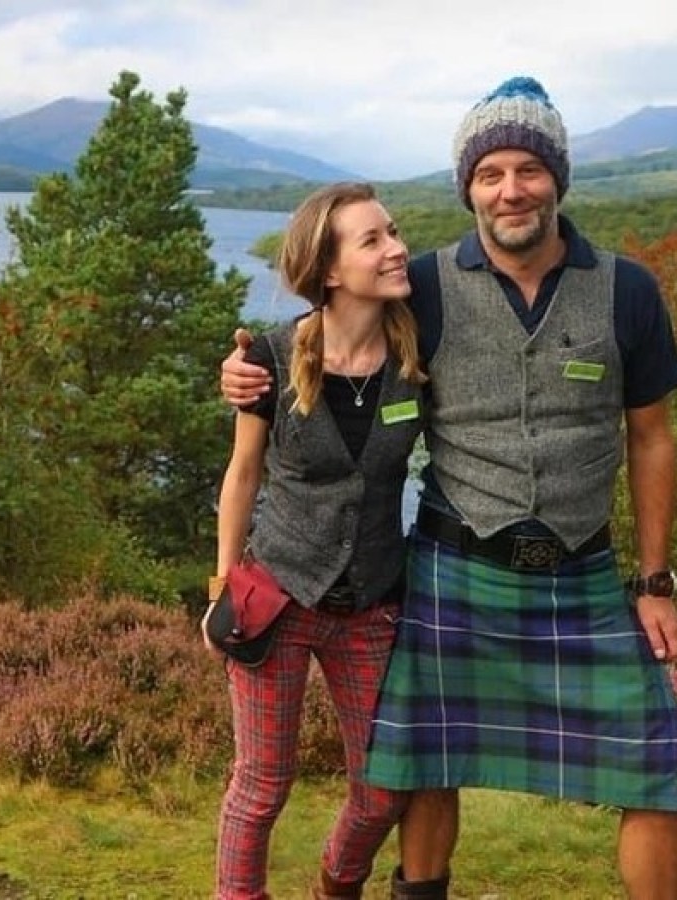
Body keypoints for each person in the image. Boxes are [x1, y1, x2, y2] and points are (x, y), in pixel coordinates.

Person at [219, 76, 677, 900]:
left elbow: (650, 437)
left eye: (528, 169)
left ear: (558, 178)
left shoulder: (628, 291)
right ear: (468, 185)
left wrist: (655, 582)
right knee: (425, 765)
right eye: (490, 172)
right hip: (452, 565)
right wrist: (250, 371)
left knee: (657, 762)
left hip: (584, 568)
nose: (510, 190)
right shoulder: (422, 289)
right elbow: (335, 335)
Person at [204, 181, 426, 899]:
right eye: (374, 240)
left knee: (383, 789)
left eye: (393, 232)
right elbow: (242, 478)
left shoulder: (419, 357)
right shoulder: (268, 358)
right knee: (263, 786)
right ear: (329, 271)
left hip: (372, 606)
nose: (397, 249)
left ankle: (337, 884)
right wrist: (221, 590)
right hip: (279, 598)